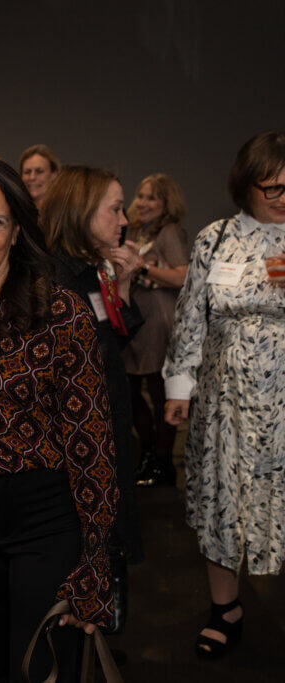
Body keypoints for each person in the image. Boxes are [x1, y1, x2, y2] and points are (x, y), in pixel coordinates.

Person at [0, 158, 118, 683]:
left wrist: (97, 558)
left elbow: (94, 443)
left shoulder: (60, 311)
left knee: (38, 667)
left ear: (16, 232)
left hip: (46, 516)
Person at [163, 130, 285, 660]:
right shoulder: (215, 238)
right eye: (273, 188)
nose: (284, 197)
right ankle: (225, 609)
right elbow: (192, 315)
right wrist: (178, 385)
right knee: (221, 498)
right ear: (246, 184)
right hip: (225, 403)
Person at [42, 166, 145, 574]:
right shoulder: (56, 277)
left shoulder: (90, 268)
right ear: (81, 212)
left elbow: (113, 340)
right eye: (115, 209)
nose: (124, 220)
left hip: (104, 422)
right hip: (78, 440)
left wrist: (124, 283)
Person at [122, 174, 189, 486]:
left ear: (166, 204)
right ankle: (149, 454)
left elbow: (182, 276)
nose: (144, 203)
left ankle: (162, 462)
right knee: (131, 390)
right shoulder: (136, 229)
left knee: (161, 392)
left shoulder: (169, 231)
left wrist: (143, 267)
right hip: (138, 320)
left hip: (160, 320)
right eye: (142, 195)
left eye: (152, 198)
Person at [19, 144, 60, 209]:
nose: (32, 177)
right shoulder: (15, 213)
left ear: (54, 174)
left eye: (39, 171)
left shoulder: (65, 213)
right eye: (27, 172)